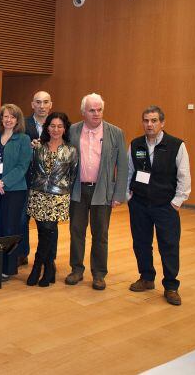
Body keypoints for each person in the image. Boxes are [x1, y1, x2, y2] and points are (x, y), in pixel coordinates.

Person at [127, 106, 191, 305]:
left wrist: (176, 202)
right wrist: (129, 196)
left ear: (162, 123)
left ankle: (171, 286)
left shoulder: (176, 145)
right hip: (139, 204)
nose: (149, 124)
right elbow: (129, 172)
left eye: (154, 121)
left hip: (165, 206)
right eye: (146, 121)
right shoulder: (136, 144)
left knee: (169, 245)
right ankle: (146, 278)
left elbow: (184, 176)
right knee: (141, 243)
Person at [65, 93, 128, 290]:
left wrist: (118, 194)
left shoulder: (115, 133)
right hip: (77, 190)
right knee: (76, 231)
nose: (96, 114)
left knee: (100, 233)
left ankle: (99, 273)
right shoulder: (73, 130)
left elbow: (123, 166)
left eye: (99, 109)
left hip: (102, 191)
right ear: (83, 112)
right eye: (92, 110)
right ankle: (76, 269)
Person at [25, 112, 77, 287]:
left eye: (60, 126)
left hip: (58, 197)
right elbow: (31, 169)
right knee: (43, 232)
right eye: (53, 126)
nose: (56, 129)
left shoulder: (71, 150)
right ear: (47, 127)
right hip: (38, 194)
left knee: (48, 231)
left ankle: (38, 266)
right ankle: (49, 267)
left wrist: (62, 191)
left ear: (65, 129)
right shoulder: (38, 147)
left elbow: (73, 176)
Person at [0, 104, 32, 280]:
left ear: (17, 120)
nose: (8, 119)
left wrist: (3, 182)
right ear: (1, 119)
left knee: (10, 228)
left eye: (12, 117)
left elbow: (22, 166)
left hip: (14, 190)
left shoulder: (24, 139)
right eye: (5, 116)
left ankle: (8, 268)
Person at [20, 90, 54, 265]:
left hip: (48, 182)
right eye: (38, 102)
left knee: (47, 222)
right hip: (25, 179)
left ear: (50, 105)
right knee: (22, 218)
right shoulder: (22, 124)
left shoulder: (56, 125)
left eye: (45, 102)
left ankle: (48, 257)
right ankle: (22, 253)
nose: (42, 106)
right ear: (32, 104)